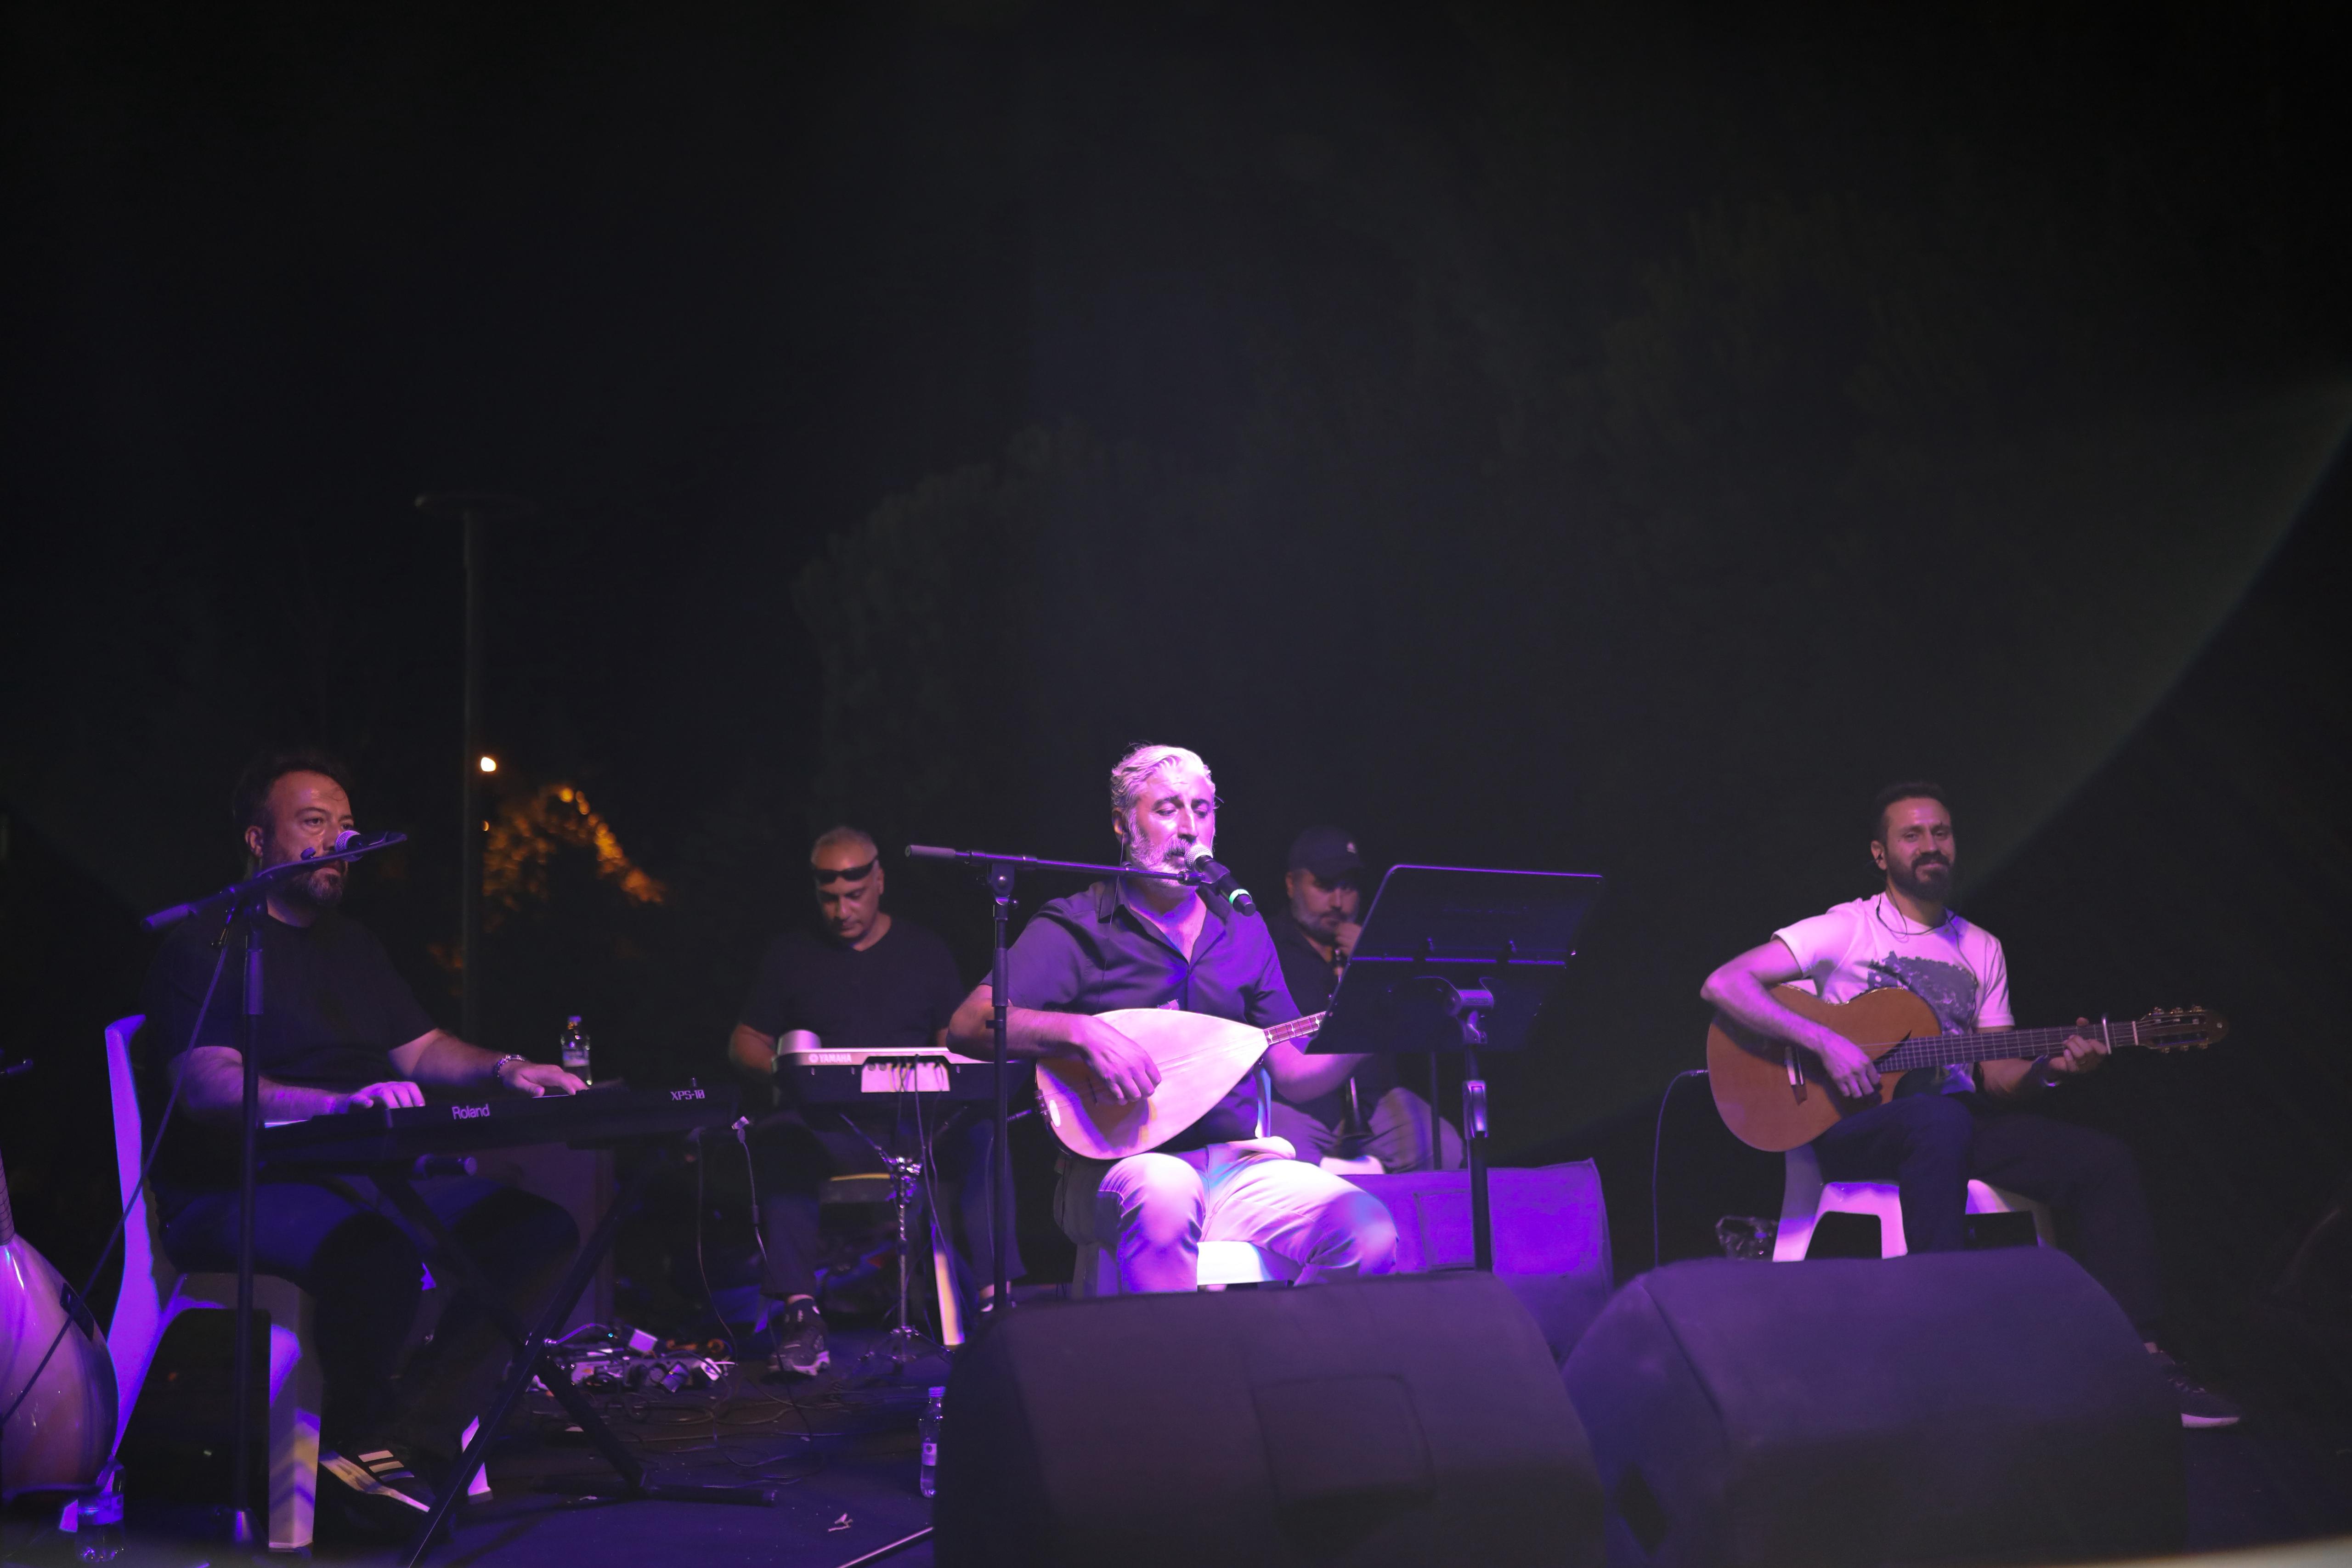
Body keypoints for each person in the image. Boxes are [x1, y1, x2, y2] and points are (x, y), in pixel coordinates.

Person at [1699, 780, 2239, 1427]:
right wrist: (1824, 1041)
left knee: (2101, 1160)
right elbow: (1724, 983)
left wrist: (2051, 1071)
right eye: (1912, 834)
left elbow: (1998, 1076)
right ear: (1880, 853)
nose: (1930, 845)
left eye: (1941, 832)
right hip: (1854, 1123)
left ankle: (2144, 1361)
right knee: (1939, 1119)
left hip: (1949, 1124)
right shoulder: (1845, 928)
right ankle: (1946, 1345)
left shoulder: (1981, 948)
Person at [141, 750, 584, 1520]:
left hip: (362, 1175)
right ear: (258, 840)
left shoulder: (355, 947)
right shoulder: (205, 943)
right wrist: (339, 1106)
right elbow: (209, 1086)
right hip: (240, 1185)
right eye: (315, 822)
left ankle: (402, 1439)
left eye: (347, 826)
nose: (341, 842)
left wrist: (506, 1068)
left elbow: (424, 1049)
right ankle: (360, 1466)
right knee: (376, 1253)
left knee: (536, 1229)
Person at [946, 743, 1397, 1293]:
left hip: (1235, 1167)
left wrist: (1375, 1023)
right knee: (1166, 1190)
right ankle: (1177, 1354)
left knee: (1366, 1230)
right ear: (1122, 823)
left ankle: (1290, 1345)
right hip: (1115, 1171)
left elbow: (1293, 1074)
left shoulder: (1240, 926)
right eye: (1166, 809)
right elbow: (968, 1024)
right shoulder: (1081, 924)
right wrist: (1078, 1032)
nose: (1188, 829)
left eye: (1201, 810)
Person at [728, 826, 1014, 1375]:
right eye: (829, 899)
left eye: (854, 896)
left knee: (984, 1132)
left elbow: (949, 1040)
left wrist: (950, 1070)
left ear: (879, 881)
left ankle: (995, 1302)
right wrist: (783, 1070)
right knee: (778, 1138)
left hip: (918, 1129)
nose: (842, 911)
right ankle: (801, 1316)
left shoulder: (923, 951)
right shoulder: (792, 955)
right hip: (832, 1133)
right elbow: (746, 1038)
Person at [1265, 824, 1459, 1172]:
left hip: (1374, 1099)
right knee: (1274, 1155)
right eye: (1324, 886)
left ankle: (1343, 1173)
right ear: (1292, 884)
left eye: (1348, 887)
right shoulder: (1266, 944)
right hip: (1299, 1104)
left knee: (1445, 1147)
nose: (1338, 903)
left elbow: (1418, 1018)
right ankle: (1360, 1173)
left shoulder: (1376, 943)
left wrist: (1374, 960)